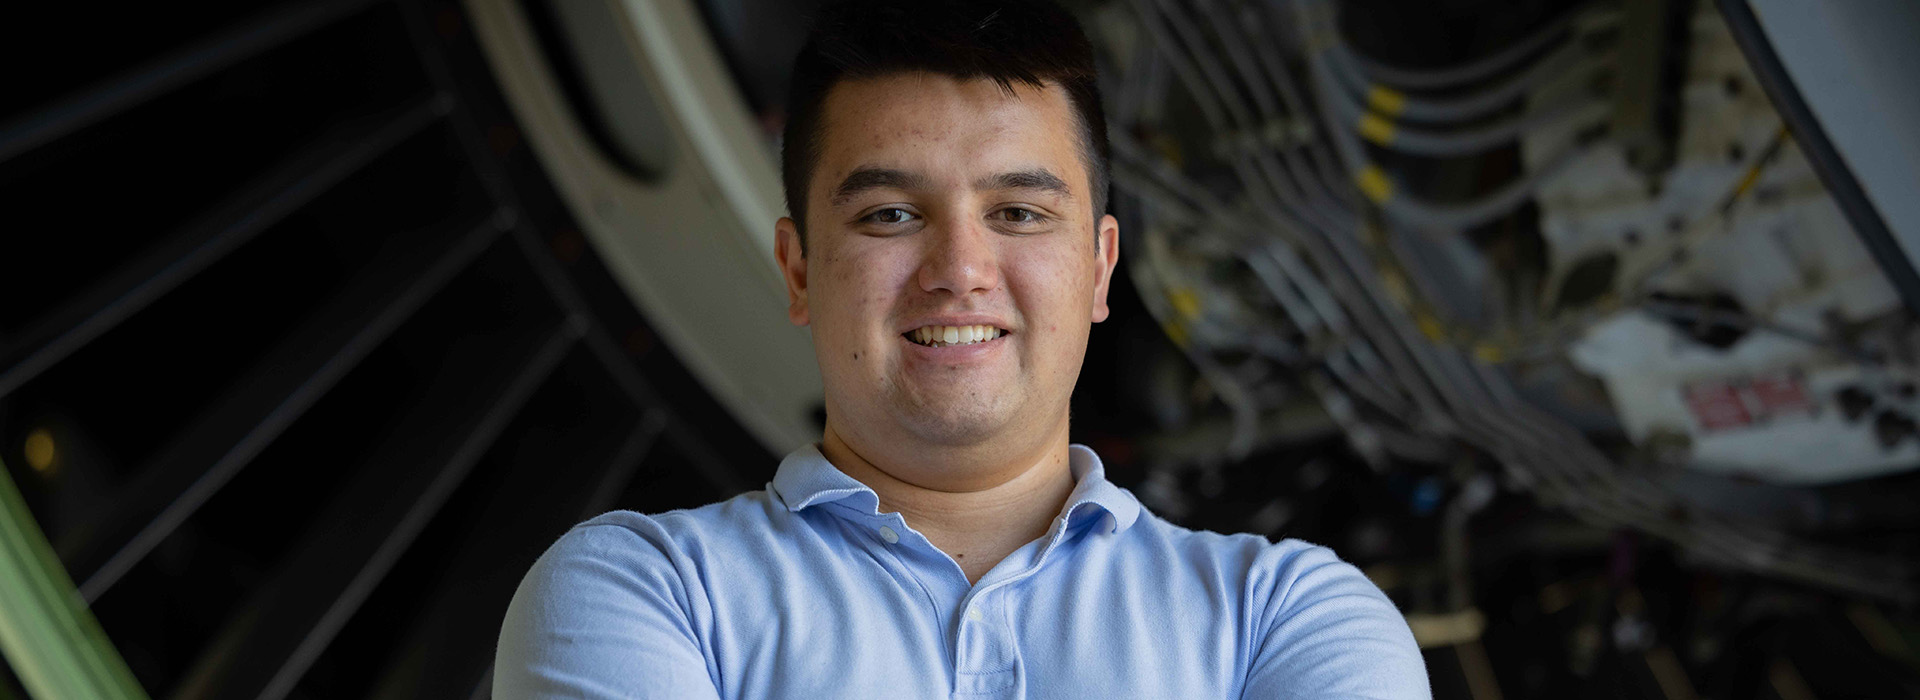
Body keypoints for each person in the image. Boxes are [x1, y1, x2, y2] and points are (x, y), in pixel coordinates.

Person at [493, 0, 1428, 697]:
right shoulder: (637, 595)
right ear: (800, 269)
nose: (960, 270)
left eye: (1018, 213)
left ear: (1101, 269)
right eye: (891, 214)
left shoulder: (1294, 620)